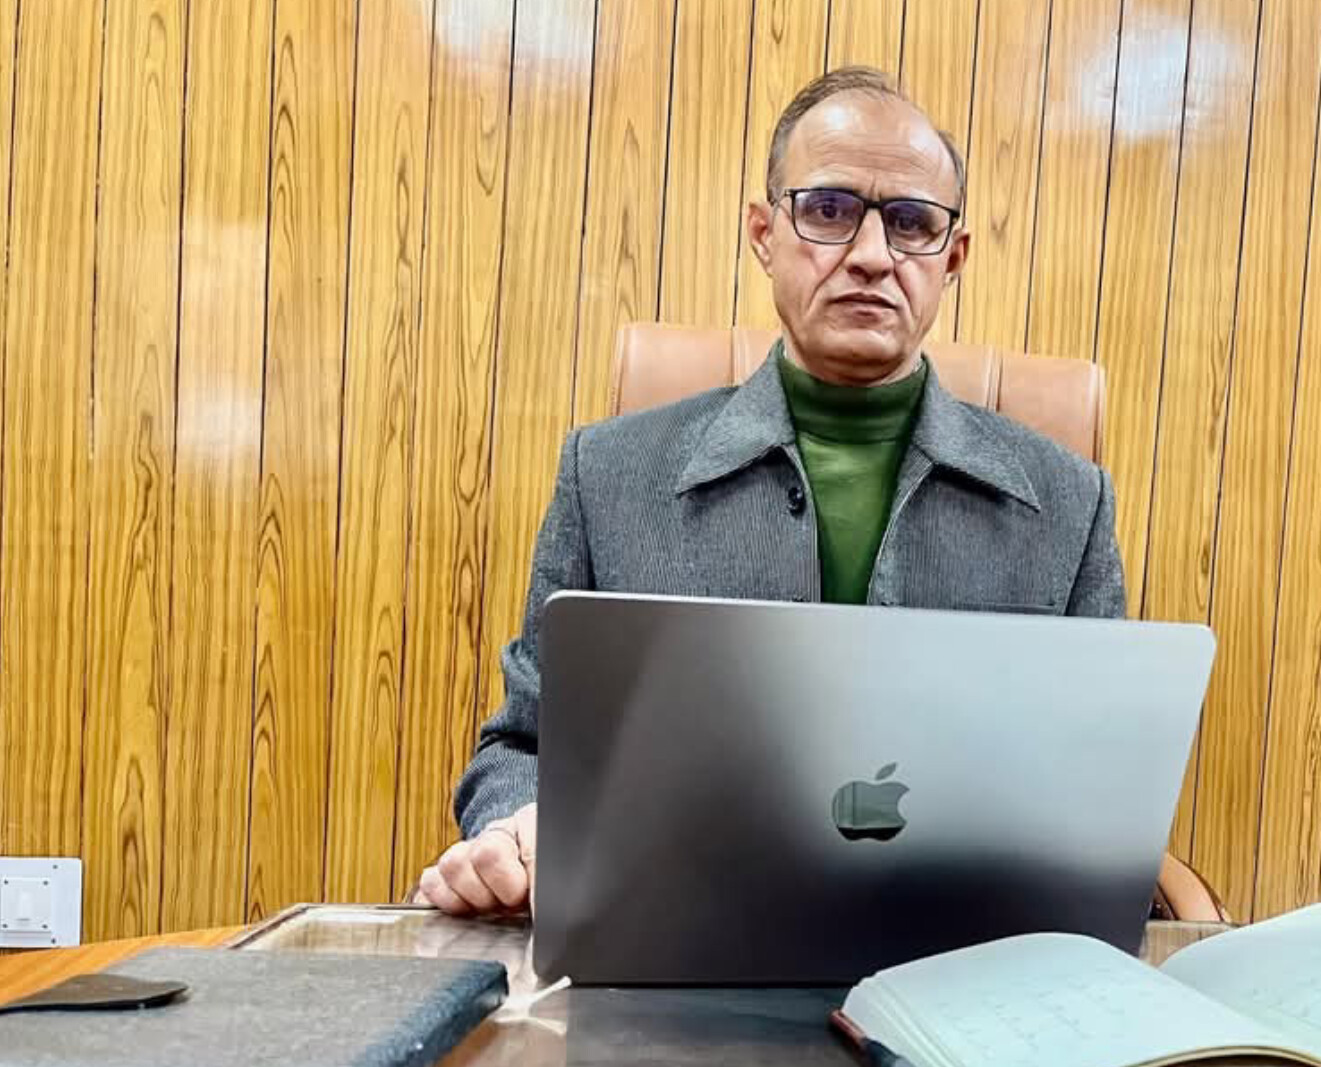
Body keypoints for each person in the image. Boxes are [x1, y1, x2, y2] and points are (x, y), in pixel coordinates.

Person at [415, 66, 1125, 916]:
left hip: (962, 946)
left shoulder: (1069, 505)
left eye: (911, 223)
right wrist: (516, 828)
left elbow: (1103, 783)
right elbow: (524, 745)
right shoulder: (607, 474)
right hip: (675, 941)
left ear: (953, 257)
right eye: (828, 210)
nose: (872, 255)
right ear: (764, 233)